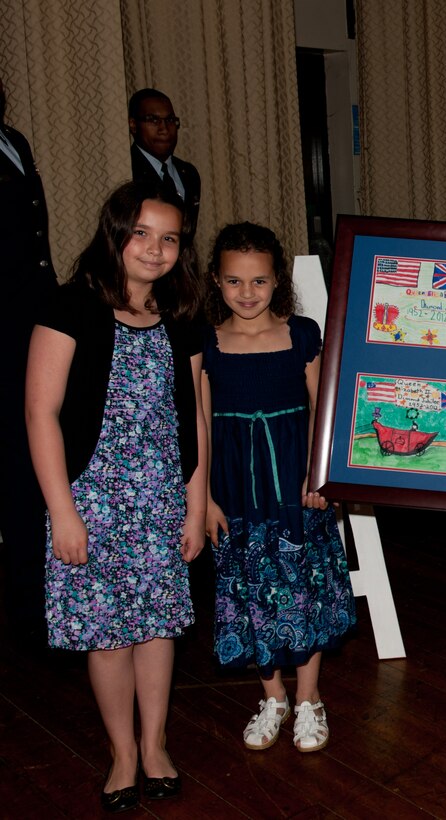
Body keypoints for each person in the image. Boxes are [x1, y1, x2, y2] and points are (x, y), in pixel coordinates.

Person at [25, 180, 206, 811]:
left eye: (170, 239)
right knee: (107, 633)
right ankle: (122, 753)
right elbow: (40, 413)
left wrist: (196, 500)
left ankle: (155, 744)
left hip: (159, 495)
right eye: (142, 234)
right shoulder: (70, 305)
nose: (155, 250)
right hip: (91, 499)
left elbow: (194, 418)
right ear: (116, 234)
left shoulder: (182, 315)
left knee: (157, 627)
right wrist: (62, 512)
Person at [202, 222, 356, 754]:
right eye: (234, 281)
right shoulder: (208, 342)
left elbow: (325, 410)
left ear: (278, 282)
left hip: (296, 482)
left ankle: (309, 698)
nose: (247, 293)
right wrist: (202, 497)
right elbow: (198, 425)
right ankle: (272, 696)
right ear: (216, 282)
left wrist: (319, 474)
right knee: (251, 590)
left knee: (304, 586)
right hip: (234, 486)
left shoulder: (303, 333)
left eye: (259, 281)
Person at [0, 76, 57, 643]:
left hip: (34, 318)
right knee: (18, 467)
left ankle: (47, 591)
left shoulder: (13, 138)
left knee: (42, 458)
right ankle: (26, 607)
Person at [129, 88, 201, 242]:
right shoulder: (127, 171)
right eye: (153, 120)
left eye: (170, 120)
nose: (164, 128)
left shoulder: (188, 173)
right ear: (133, 125)